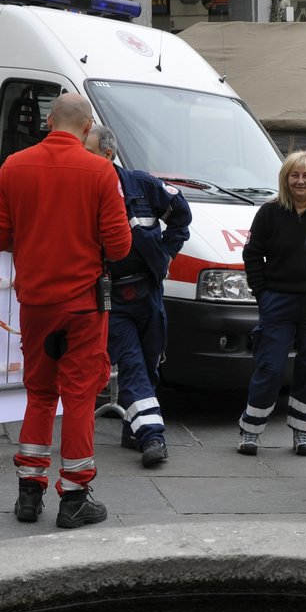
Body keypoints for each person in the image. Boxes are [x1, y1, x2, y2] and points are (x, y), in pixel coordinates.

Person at [0, 93, 132, 529]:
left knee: (40, 395)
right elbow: (120, 246)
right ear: (87, 128)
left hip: (35, 304)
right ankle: (75, 497)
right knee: (80, 397)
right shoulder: (101, 171)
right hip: (83, 306)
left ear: (48, 122)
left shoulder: (14, 166)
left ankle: (29, 493)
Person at [85, 124, 191, 468]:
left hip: (147, 290)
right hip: (110, 296)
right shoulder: (78, 192)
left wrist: (166, 254)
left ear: (107, 154)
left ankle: (133, 430)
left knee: (148, 365)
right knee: (130, 365)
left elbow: (180, 215)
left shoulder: (141, 185)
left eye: (86, 153)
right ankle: (152, 437)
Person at [237, 151, 306, 457]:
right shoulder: (270, 212)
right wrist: (262, 294)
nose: (300, 181)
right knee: (270, 366)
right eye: (294, 175)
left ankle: (303, 432)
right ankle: (250, 429)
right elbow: (251, 254)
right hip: (277, 301)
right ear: (285, 179)